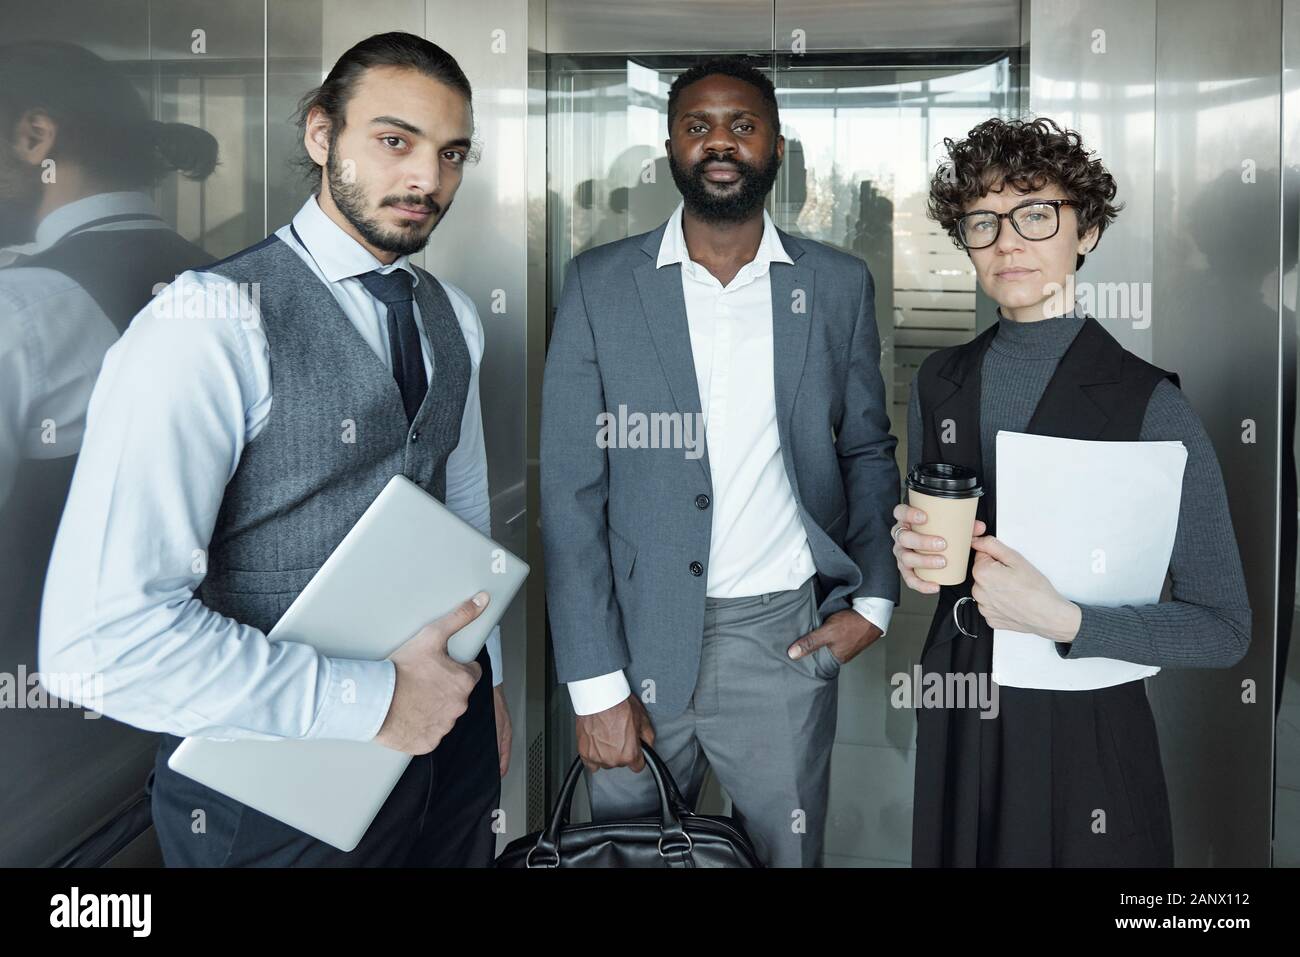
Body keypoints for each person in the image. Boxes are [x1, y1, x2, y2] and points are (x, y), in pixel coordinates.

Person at [39, 32, 508, 866]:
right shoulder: (207, 325)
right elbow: (99, 646)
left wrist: (490, 691)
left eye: (452, 154)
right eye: (394, 141)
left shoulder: (454, 316)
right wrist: (375, 700)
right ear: (321, 136)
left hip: (444, 751)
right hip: (268, 792)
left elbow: (463, 520)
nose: (428, 180)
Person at [541, 57, 899, 867]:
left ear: (776, 145)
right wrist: (595, 683)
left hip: (781, 635)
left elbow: (867, 449)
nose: (720, 142)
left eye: (742, 125)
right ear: (671, 145)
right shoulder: (599, 285)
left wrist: (873, 599)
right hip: (635, 644)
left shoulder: (836, 285)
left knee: (784, 855)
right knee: (632, 855)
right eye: (698, 126)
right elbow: (569, 490)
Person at [895, 116, 1252, 866]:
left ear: (1084, 231)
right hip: (960, 701)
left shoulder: (1150, 405)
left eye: (1034, 214)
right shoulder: (940, 380)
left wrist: (1065, 619)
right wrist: (917, 556)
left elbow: (1224, 626)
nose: (1008, 242)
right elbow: (945, 562)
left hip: (1082, 726)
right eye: (982, 221)